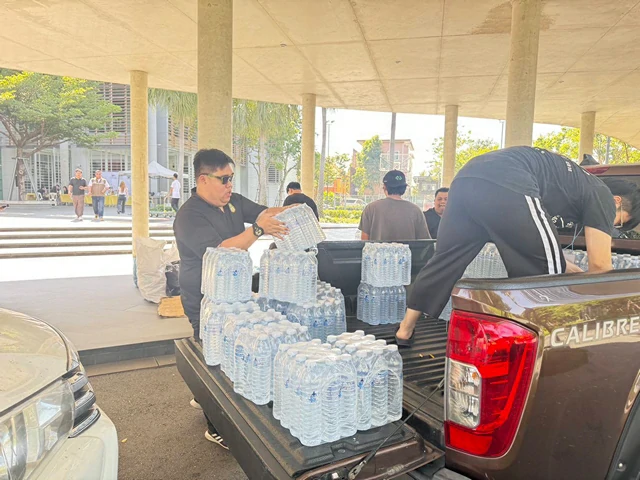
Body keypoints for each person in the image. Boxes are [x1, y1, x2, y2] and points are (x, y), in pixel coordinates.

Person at [395, 146, 640, 346]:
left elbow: (533, 245)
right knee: (548, 279)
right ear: (617, 201)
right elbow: (600, 268)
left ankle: (404, 331)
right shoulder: (603, 196)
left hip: (467, 177)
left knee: (445, 260)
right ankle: (540, 348)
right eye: (619, 222)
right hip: (508, 179)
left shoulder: (576, 182)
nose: (611, 227)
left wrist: (566, 266)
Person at [174, 148, 289, 449]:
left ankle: (203, 395)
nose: (229, 186)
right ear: (202, 180)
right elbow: (221, 250)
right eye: (223, 179)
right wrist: (258, 231)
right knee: (211, 358)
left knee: (223, 354)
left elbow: (263, 213)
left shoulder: (233, 202)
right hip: (205, 299)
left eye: (231, 179)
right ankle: (215, 426)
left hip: (234, 294)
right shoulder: (189, 216)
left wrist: (293, 210)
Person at [359, 170, 430, 242]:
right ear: (404, 188)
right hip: (408, 250)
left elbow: (364, 241)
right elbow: (424, 242)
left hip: (378, 250)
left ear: (384, 187)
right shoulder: (415, 210)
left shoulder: (371, 208)